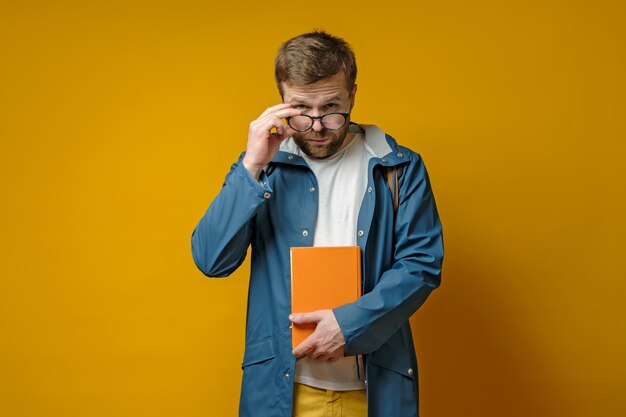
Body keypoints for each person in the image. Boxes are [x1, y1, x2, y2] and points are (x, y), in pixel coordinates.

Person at [191, 31, 443, 417]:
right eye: (301, 109)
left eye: (331, 107)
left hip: (374, 390)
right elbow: (211, 260)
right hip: (283, 392)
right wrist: (252, 165)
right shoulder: (263, 168)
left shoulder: (399, 166)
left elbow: (421, 266)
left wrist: (348, 325)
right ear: (281, 101)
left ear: (353, 95)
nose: (317, 125)